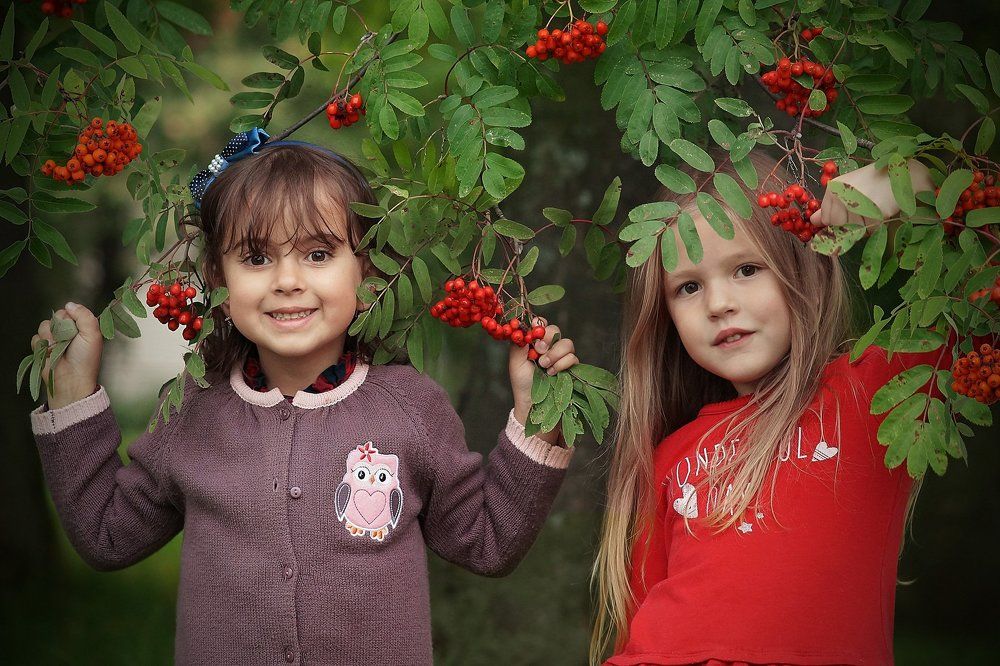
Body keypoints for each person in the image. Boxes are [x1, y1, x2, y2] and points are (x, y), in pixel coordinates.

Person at [29, 130, 580, 665]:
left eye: (318, 255)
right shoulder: (193, 412)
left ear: (367, 271)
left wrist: (537, 423)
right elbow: (106, 537)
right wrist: (74, 402)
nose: (287, 280)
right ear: (216, 279)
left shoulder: (410, 408)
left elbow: (487, 543)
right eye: (256, 257)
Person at [590, 150, 963, 665]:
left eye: (746, 269)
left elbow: (979, 295)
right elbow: (636, 634)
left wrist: (911, 181)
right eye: (689, 287)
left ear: (803, 269)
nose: (718, 303)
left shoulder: (874, 390)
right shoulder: (669, 455)